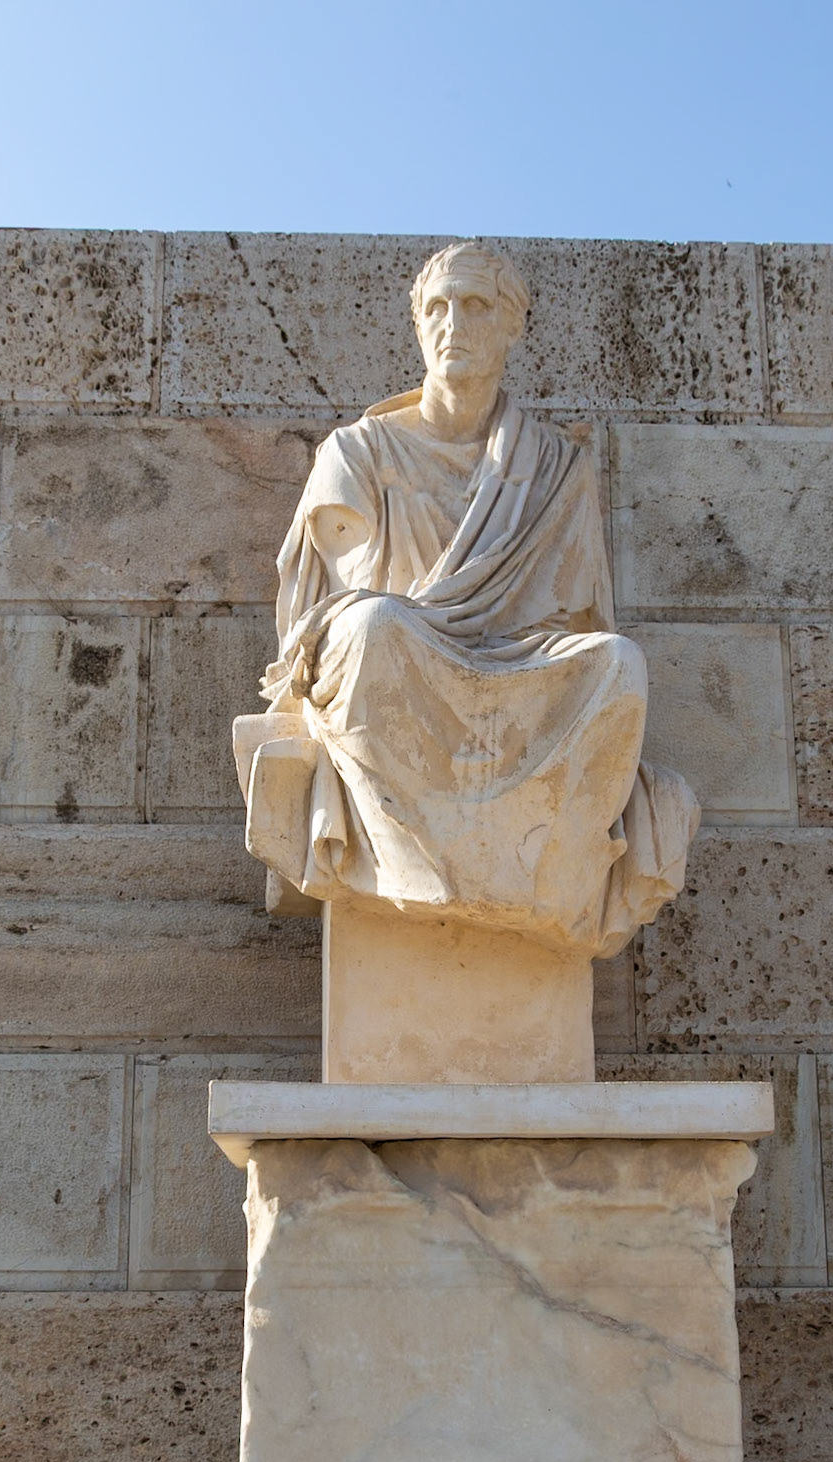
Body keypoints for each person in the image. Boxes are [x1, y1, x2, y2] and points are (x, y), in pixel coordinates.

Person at [241, 241, 697, 959]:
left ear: (512, 326)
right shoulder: (357, 453)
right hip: (401, 647)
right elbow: (350, 595)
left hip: (514, 660)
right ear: (418, 324)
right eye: (437, 307)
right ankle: (414, 863)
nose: (453, 324)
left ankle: (542, 869)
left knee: (618, 664)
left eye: (476, 305)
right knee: (373, 624)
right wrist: (438, 638)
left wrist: (508, 661)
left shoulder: (554, 467)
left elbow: (576, 617)